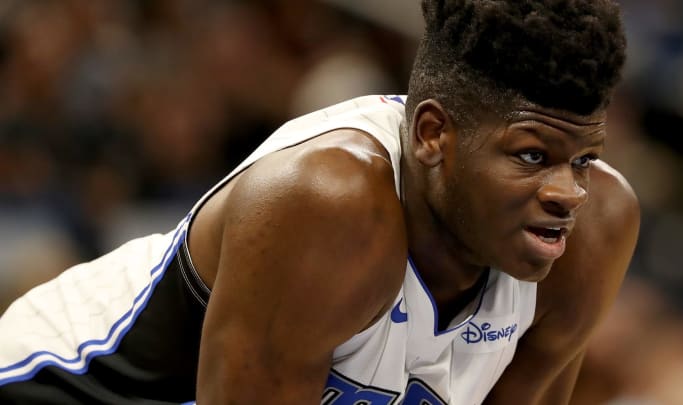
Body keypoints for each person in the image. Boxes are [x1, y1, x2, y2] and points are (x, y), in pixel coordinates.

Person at [0, 0, 639, 403]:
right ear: (433, 135)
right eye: (531, 157)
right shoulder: (328, 202)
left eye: (583, 160)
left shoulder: (596, 230)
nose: (567, 193)